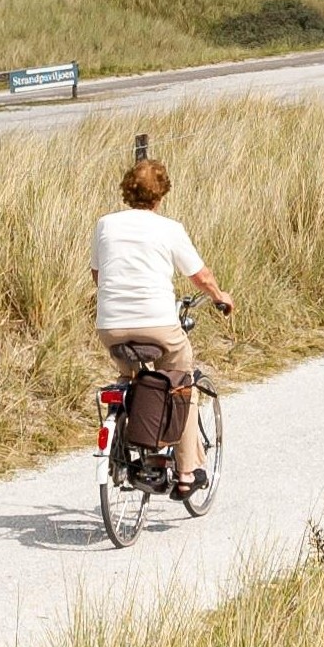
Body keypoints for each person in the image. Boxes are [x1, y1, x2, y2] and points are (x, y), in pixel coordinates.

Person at [93, 158, 232, 498]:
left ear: (127, 191)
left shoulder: (105, 225)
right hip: (158, 323)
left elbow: (98, 275)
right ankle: (186, 472)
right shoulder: (169, 228)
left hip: (110, 326)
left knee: (130, 377)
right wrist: (219, 296)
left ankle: (126, 444)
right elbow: (200, 276)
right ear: (161, 195)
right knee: (180, 384)